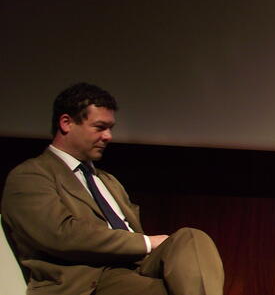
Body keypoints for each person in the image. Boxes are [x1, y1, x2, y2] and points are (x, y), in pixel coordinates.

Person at [1, 83, 224, 295]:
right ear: (66, 123)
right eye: (100, 127)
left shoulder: (108, 181)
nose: (108, 136)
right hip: (88, 279)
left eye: (110, 128)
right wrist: (146, 242)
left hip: (137, 268)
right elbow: (60, 234)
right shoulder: (31, 175)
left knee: (191, 237)